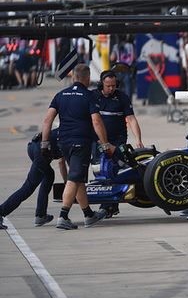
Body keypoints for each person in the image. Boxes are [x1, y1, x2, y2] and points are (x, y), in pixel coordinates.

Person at [41, 64, 113, 230]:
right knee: (74, 178)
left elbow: (47, 120)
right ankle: (63, 216)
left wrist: (45, 145)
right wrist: (104, 143)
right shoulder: (88, 96)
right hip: (80, 142)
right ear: (87, 78)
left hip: (63, 142)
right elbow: (96, 121)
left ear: (73, 77)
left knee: (78, 177)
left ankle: (88, 214)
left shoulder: (60, 95)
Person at [94, 70, 144, 217]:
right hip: (98, 139)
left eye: (113, 86)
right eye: (108, 86)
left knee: (111, 169)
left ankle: (107, 206)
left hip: (117, 140)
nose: (111, 89)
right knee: (99, 170)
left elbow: (132, 119)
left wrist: (138, 139)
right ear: (101, 84)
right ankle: (111, 205)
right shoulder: (93, 96)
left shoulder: (122, 98)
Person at [0, 129, 66, 229]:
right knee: (28, 187)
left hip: (33, 146)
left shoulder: (67, 127)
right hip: (40, 152)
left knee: (49, 175)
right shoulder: (74, 135)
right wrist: (68, 183)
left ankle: (41, 215)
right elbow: (62, 163)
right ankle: (2, 211)